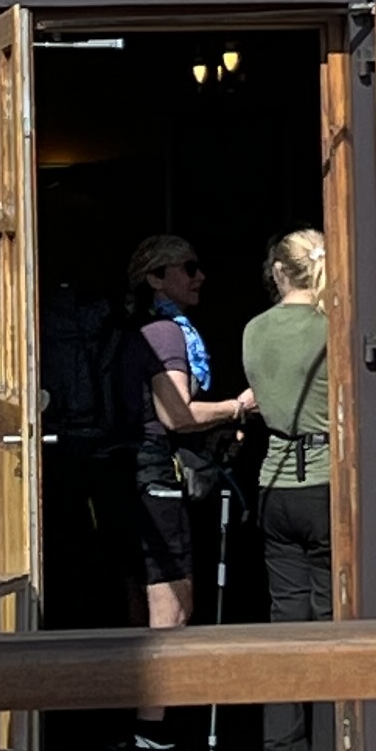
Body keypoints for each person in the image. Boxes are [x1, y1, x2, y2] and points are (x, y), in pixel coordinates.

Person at [241, 229, 339, 751]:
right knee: (328, 621)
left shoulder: (254, 329)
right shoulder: (331, 327)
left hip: (274, 482)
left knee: (286, 619)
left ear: (279, 272)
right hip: (324, 480)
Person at [122, 234, 257, 634]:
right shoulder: (165, 332)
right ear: (155, 278)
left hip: (129, 471)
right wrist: (238, 407)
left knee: (140, 603)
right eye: (189, 268)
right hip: (156, 474)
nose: (200, 277)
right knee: (173, 609)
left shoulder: (134, 329)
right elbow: (176, 415)